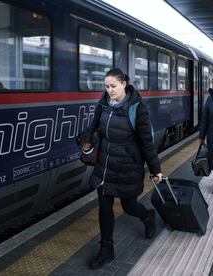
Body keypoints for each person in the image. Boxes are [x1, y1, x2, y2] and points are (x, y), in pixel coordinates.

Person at [79, 68, 163, 270]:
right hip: (105, 167)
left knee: (128, 206)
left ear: (124, 84)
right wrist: (85, 140)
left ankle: (147, 216)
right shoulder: (103, 104)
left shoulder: (137, 109)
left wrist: (155, 169)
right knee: (105, 208)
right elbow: (94, 129)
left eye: (113, 86)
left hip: (127, 168)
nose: (109, 90)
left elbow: (146, 143)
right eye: (106, 86)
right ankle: (107, 249)